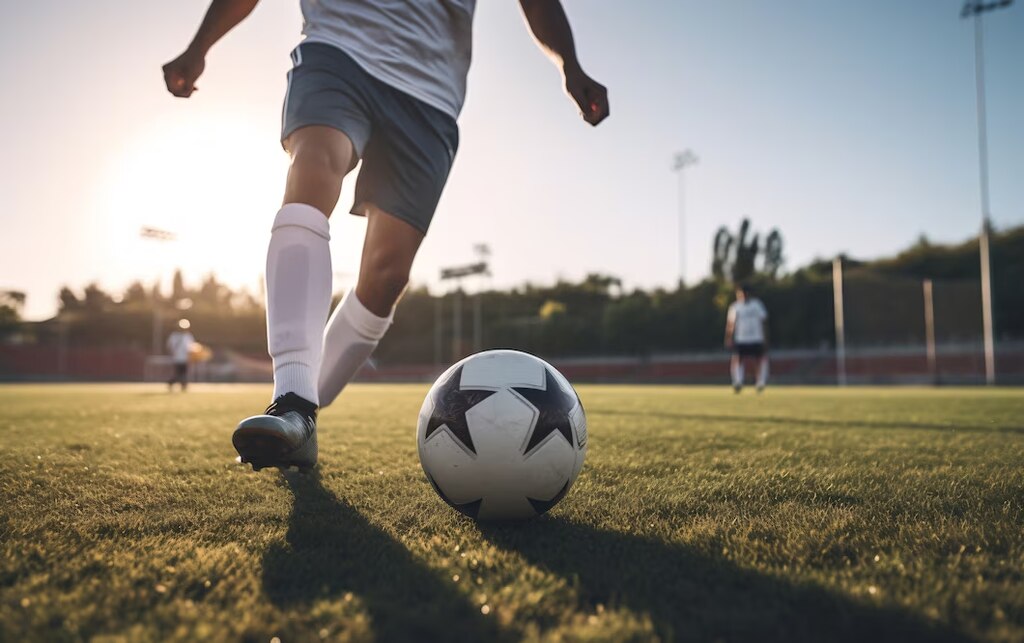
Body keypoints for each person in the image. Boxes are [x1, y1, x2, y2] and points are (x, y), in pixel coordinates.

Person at [163, 0, 609, 470]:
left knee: (386, 273)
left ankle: (305, 414)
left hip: (430, 91)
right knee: (313, 165)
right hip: (337, 48)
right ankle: (293, 402)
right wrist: (199, 46)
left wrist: (571, 65)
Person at [724, 284, 769, 393]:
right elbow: (730, 324)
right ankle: (738, 382)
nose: (743, 295)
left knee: (759, 360)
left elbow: (763, 321)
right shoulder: (735, 307)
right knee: (738, 359)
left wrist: (765, 337)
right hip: (741, 338)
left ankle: (760, 383)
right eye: (740, 294)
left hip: (756, 337)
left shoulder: (757, 305)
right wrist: (728, 337)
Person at [166, 319, 196, 392]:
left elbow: (192, 347)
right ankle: (172, 382)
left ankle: (183, 386)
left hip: (186, 358)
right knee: (179, 374)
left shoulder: (188, 336)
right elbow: (170, 347)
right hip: (177, 358)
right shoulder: (174, 336)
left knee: (184, 373)